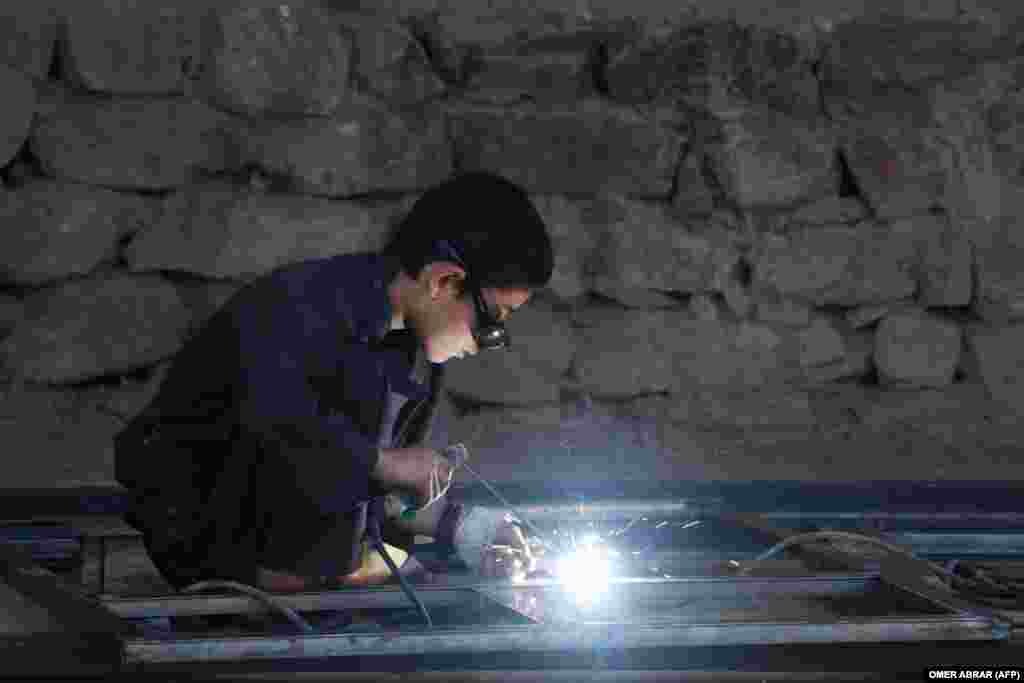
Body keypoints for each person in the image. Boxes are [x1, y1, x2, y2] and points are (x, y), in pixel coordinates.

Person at [114, 170, 555, 592]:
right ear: (444, 281)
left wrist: (462, 526)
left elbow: (362, 491)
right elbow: (287, 445)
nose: (485, 343)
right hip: (213, 551)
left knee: (430, 585)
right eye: (491, 322)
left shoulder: (412, 349)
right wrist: (385, 465)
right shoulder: (295, 311)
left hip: (305, 558)